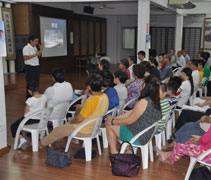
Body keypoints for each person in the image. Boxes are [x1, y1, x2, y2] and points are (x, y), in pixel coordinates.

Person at [40, 74, 109, 147]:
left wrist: (71, 121)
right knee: (64, 127)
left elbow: (79, 119)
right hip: (94, 127)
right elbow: (96, 109)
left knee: (57, 130)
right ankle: (70, 138)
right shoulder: (105, 97)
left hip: (84, 129)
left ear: (89, 87)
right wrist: (82, 107)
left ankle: (41, 143)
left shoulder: (91, 100)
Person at [105, 75, 162, 153]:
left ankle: (114, 154)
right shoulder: (155, 100)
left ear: (144, 85)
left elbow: (129, 120)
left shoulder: (144, 101)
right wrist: (115, 118)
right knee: (115, 124)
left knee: (109, 125)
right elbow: (131, 112)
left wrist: (112, 121)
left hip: (137, 136)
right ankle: (128, 150)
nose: (140, 86)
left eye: (141, 84)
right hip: (146, 134)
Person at [10, 81, 47, 149]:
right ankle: (34, 140)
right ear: (38, 89)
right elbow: (45, 108)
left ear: (29, 91)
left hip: (30, 119)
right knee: (19, 122)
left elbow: (26, 113)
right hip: (40, 119)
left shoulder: (30, 100)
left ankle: (21, 139)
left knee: (14, 126)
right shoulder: (44, 97)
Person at [23, 35, 44, 99]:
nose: (37, 43)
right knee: (30, 84)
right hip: (30, 68)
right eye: (36, 41)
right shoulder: (26, 48)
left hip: (36, 67)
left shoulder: (34, 47)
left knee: (36, 83)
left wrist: (40, 49)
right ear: (31, 41)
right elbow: (25, 58)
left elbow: (38, 56)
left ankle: (35, 97)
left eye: (37, 41)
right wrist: (35, 54)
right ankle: (29, 98)